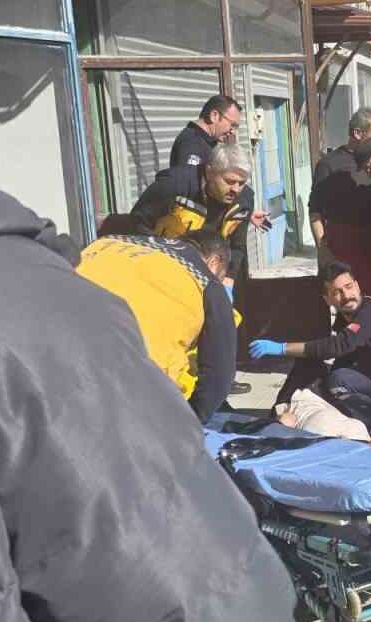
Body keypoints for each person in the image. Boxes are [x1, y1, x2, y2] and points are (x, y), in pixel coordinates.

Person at [0, 8, 329, 622]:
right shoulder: (26, 303)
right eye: (231, 186)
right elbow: (183, 620)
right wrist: (190, 425)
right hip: (125, 369)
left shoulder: (89, 259)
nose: (238, 194)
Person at [76, 229, 237, 422]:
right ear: (215, 262)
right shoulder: (205, 282)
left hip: (54, 356)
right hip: (125, 391)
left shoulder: (107, 242)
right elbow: (218, 375)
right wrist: (193, 420)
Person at [249, 261, 371, 413]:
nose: (346, 296)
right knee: (308, 363)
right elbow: (343, 357)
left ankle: (362, 419)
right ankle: (279, 411)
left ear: (357, 286)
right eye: (337, 292)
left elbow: (340, 345)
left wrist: (282, 348)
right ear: (327, 299)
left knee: (339, 379)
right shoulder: (343, 319)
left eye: (349, 287)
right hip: (365, 376)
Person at [120, 142, 255, 281]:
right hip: (161, 264)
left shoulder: (244, 200)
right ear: (210, 172)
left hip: (208, 272)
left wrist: (229, 278)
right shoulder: (173, 186)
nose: (236, 189)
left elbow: (238, 245)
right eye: (229, 181)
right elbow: (136, 223)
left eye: (241, 183)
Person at [308, 135, 371, 300]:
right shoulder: (329, 165)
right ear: (358, 133)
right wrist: (322, 249)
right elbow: (315, 211)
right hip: (351, 248)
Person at [168, 94, 268, 231]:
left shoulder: (209, 143)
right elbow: (193, 193)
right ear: (214, 116)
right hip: (192, 231)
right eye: (232, 125)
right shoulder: (192, 144)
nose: (233, 131)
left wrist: (243, 213)